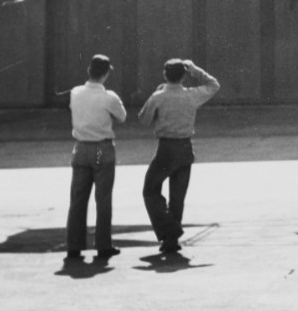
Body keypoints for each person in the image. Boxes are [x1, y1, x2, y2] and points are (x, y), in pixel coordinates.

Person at [138, 58, 220, 255]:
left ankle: (169, 230)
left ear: (165, 75)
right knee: (178, 196)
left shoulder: (158, 96)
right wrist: (195, 69)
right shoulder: (191, 95)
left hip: (166, 148)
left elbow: (144, 120)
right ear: (183, 75)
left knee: (150, 190)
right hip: (185, 147)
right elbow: (213, 84)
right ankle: (171, 240)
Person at [64, 54, 127, 266]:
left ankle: (74, 245)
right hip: (101, 148)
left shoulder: (75, 93)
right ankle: (103, 244)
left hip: (80, 147)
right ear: (106, 73)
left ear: (89, 71)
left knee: (78, 199)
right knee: (103, 199)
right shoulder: (109, 97)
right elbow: (122, 116)